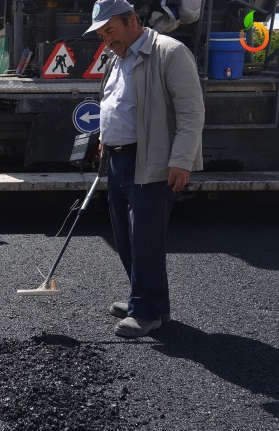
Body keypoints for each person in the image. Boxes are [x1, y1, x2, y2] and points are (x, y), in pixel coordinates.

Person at [84, 0, 204, 337]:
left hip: (152, 159)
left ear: (132, 21)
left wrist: (181, 160)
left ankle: (146, 310)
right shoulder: (115, 58)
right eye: (101, 34)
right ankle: (151, 301)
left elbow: (191, 112)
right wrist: (104, 138)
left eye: (111, 30)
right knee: (125, 236)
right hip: (119, 159)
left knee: (145, 238)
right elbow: (116, 104)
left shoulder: (169, 52)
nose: (106, 39)